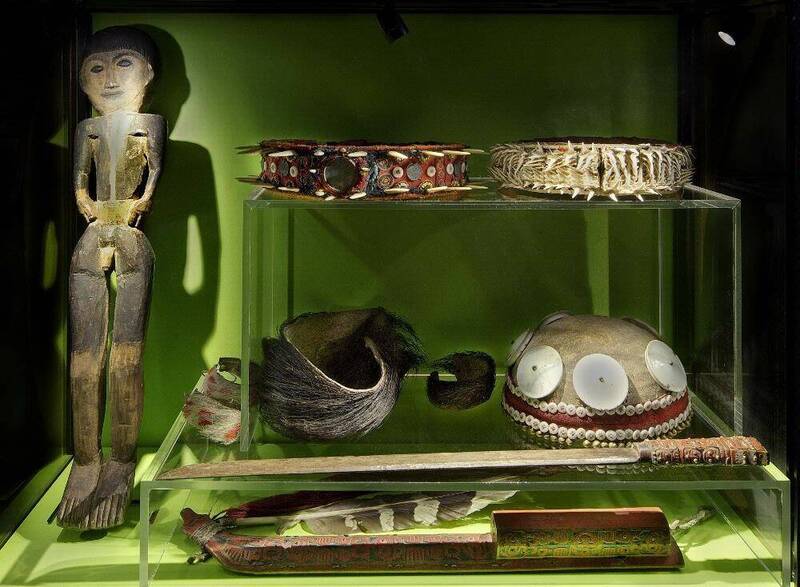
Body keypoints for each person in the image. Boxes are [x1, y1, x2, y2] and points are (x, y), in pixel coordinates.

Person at [57, 26, 166, 530]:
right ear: (82, 81)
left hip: (131, 236)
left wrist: (138, 204)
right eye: (96, 68)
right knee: (83, 362)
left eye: (124, 64)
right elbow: (80, 182)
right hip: (93, 235)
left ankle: (120, 463)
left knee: (126, 356)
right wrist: (88, 204)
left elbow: (153, 178)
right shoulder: (88, 127)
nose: (110, 79)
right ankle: (85, 463)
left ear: (148, 74)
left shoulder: (150, 124)